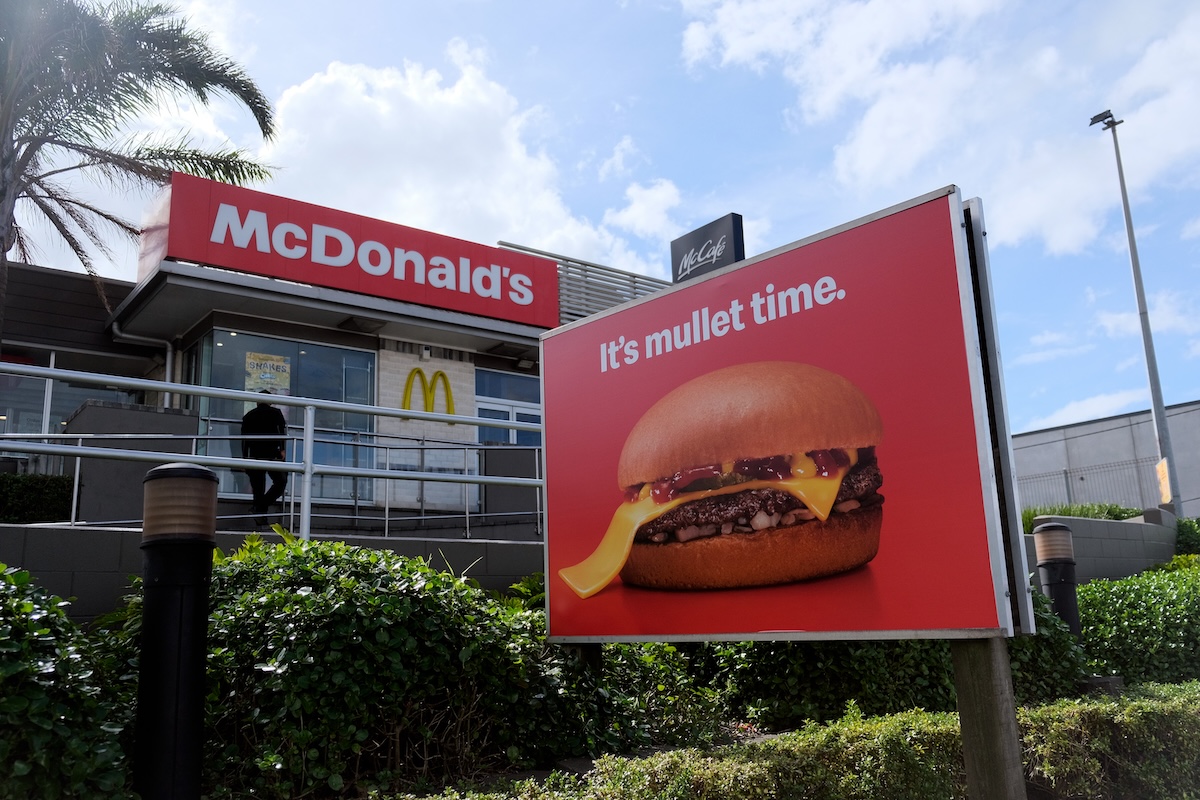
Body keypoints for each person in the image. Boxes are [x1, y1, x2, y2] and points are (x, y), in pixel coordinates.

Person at [241, 390, 289, 521]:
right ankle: (261, 508)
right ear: (270, 401)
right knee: (281, 481)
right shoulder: (276, 413)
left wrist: (244, 458)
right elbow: (281, 433)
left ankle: (259, 512)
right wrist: (282, 449)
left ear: (257, 401)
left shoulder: (248, 416)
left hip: (254, 454)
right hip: (272, 453)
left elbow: (244, 440)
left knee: (258, 487)